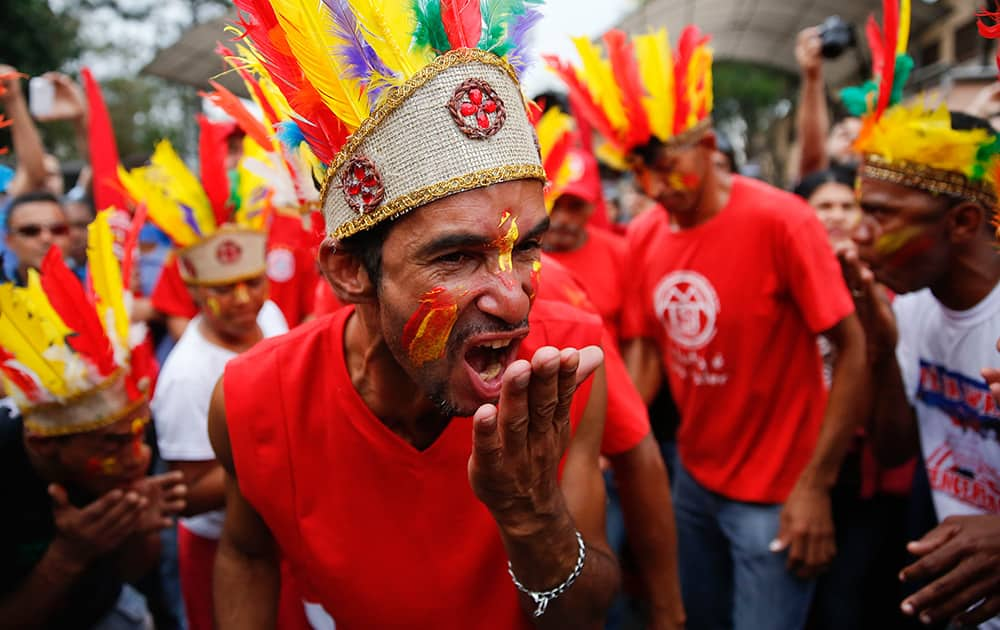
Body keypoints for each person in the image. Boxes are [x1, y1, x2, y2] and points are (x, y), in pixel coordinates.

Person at [209, 4, 620, 628]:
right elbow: (244, 551)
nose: (514, 300)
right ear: (349, 271)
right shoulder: (255, 400)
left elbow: (585, 615)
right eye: (456, 257)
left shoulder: (564, 371)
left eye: (526, 247)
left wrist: (533, 514)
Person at [551, 26, 866, 629]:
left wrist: (816, 485)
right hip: (692, 483)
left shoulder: (784, 221)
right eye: (640, 175)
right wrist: (611, 444)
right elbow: (644, 357)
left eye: (667, 168)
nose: (656, 188)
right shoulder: (644, 233)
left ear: (709, 145)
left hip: (777, 494)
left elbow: (851, 351)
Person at [836, 10, 1000, 624]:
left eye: (882, 215)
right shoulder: (913, 310)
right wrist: (879, 346)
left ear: (961, 223)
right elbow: (898, 445)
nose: (859, 235)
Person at [120, 138, 290, 630]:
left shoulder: (272, 314)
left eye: (254, 282)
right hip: (221, 549)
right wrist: (285, 448)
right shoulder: (186, 375)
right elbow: (187, 494)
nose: (244, 300)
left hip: (282, 533)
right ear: (193, 290)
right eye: (222, 289)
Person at [0, 209, 185, 629]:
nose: (137, 455)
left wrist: (137, 526)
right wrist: (67, 557)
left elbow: (131, 572)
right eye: (114, 444)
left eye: (138, 436)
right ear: (46, 444)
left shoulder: (126, 434)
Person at [794, 26, 863, 181]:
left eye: (860, 139)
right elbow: (812, 155)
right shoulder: (817, 185)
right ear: (827, 141)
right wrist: (812, 77)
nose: (851, 144)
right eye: (844, 134)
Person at [3, 190, 69, 284]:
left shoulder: (93, 289)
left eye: (57, 230)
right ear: (9, 241)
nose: (46, 238)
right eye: (31, 231)